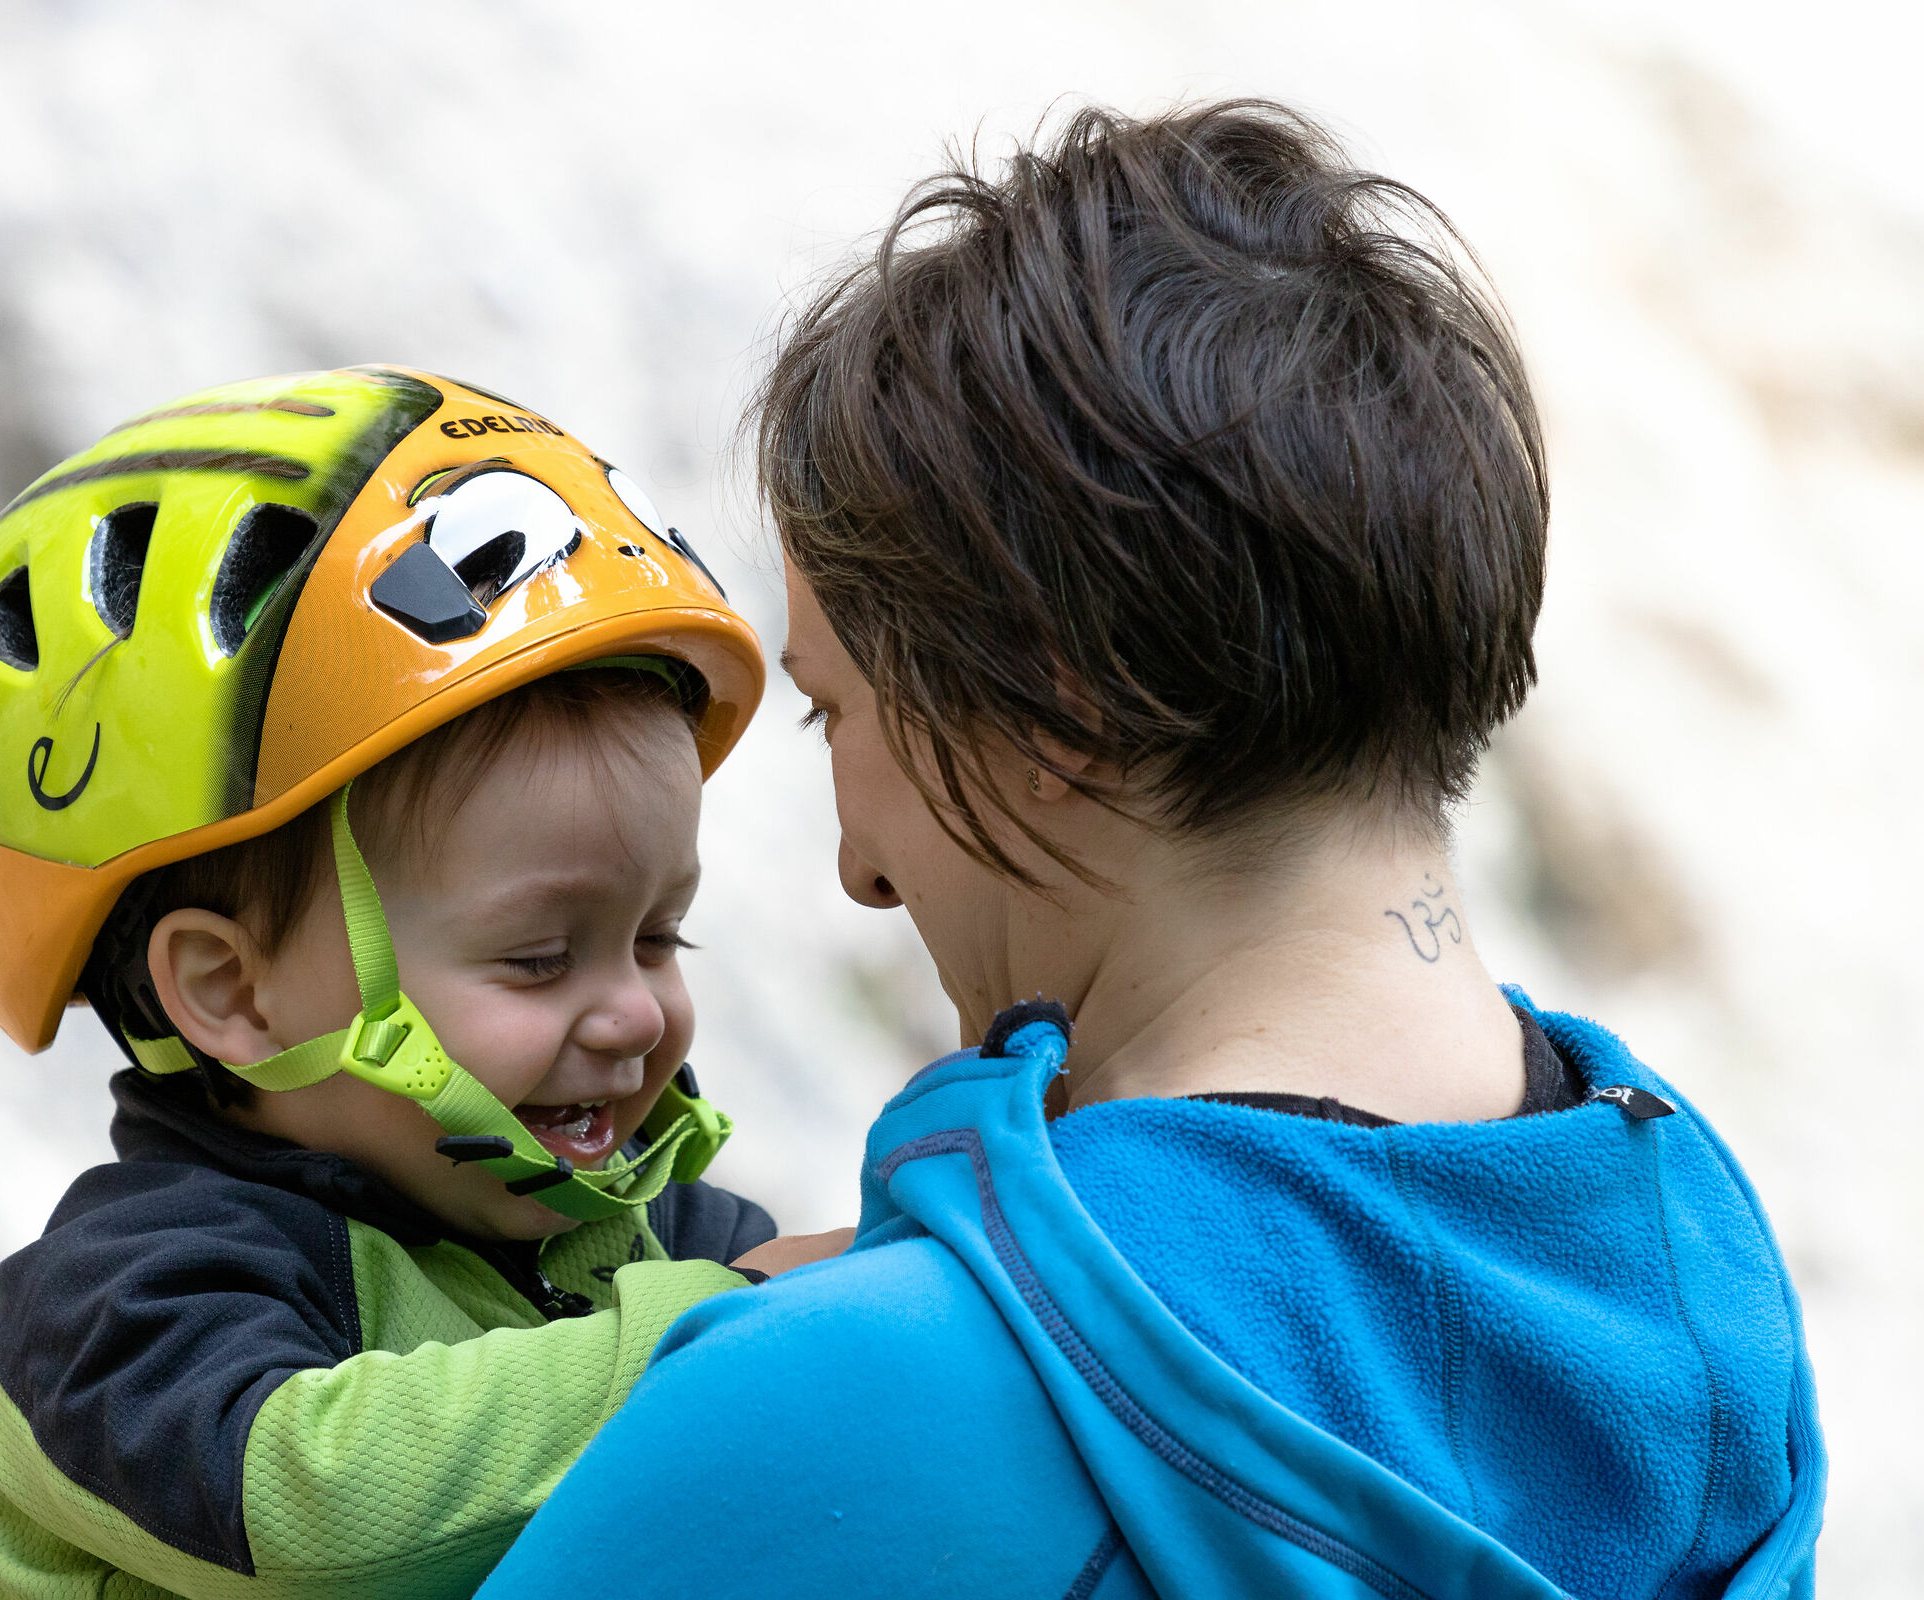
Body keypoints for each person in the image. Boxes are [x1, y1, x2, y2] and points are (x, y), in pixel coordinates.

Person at [479, 103, 1823, 1598]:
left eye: (834, 714)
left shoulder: (836, 1419)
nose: (862, 864)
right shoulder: (1708, 1310)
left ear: (1054, 709)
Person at [0, 366, 786, 1597]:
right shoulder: (119, 1306)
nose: (638, 1013)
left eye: (659, 938)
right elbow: (313, 1507)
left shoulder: (662, 1234)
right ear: (231, 992)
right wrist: (730, 1335)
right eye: (540, 958)